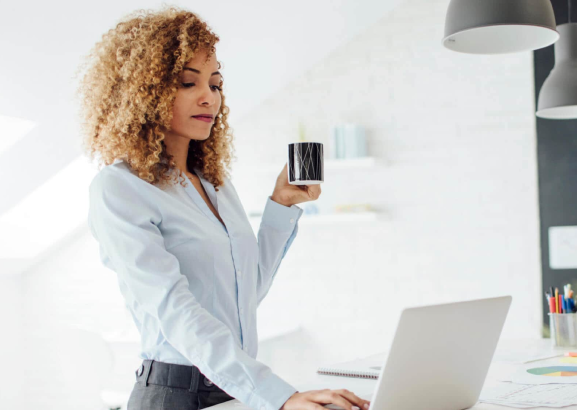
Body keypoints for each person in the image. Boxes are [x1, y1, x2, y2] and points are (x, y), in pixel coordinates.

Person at [77, 6, 370, 410]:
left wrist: (280, 206)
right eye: (186, 82)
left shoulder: (214, 184)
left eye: (215, 84)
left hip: (237, 383)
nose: (208, 97)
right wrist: (280, 396)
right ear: (142, 92)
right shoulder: (120, 189)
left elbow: (244, 294)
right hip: (175, 393)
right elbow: (176, 312)